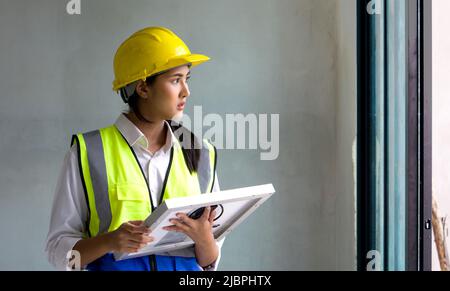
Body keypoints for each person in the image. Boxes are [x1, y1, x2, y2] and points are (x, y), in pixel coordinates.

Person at [45, 26, 223, 271]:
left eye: (186, 79)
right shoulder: (89, 152)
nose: (186, 91)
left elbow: (209, 262)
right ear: (142, 88)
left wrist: (205, 240)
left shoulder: (202, 154)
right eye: (175, 80)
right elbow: (58, 251)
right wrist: (110, 241)